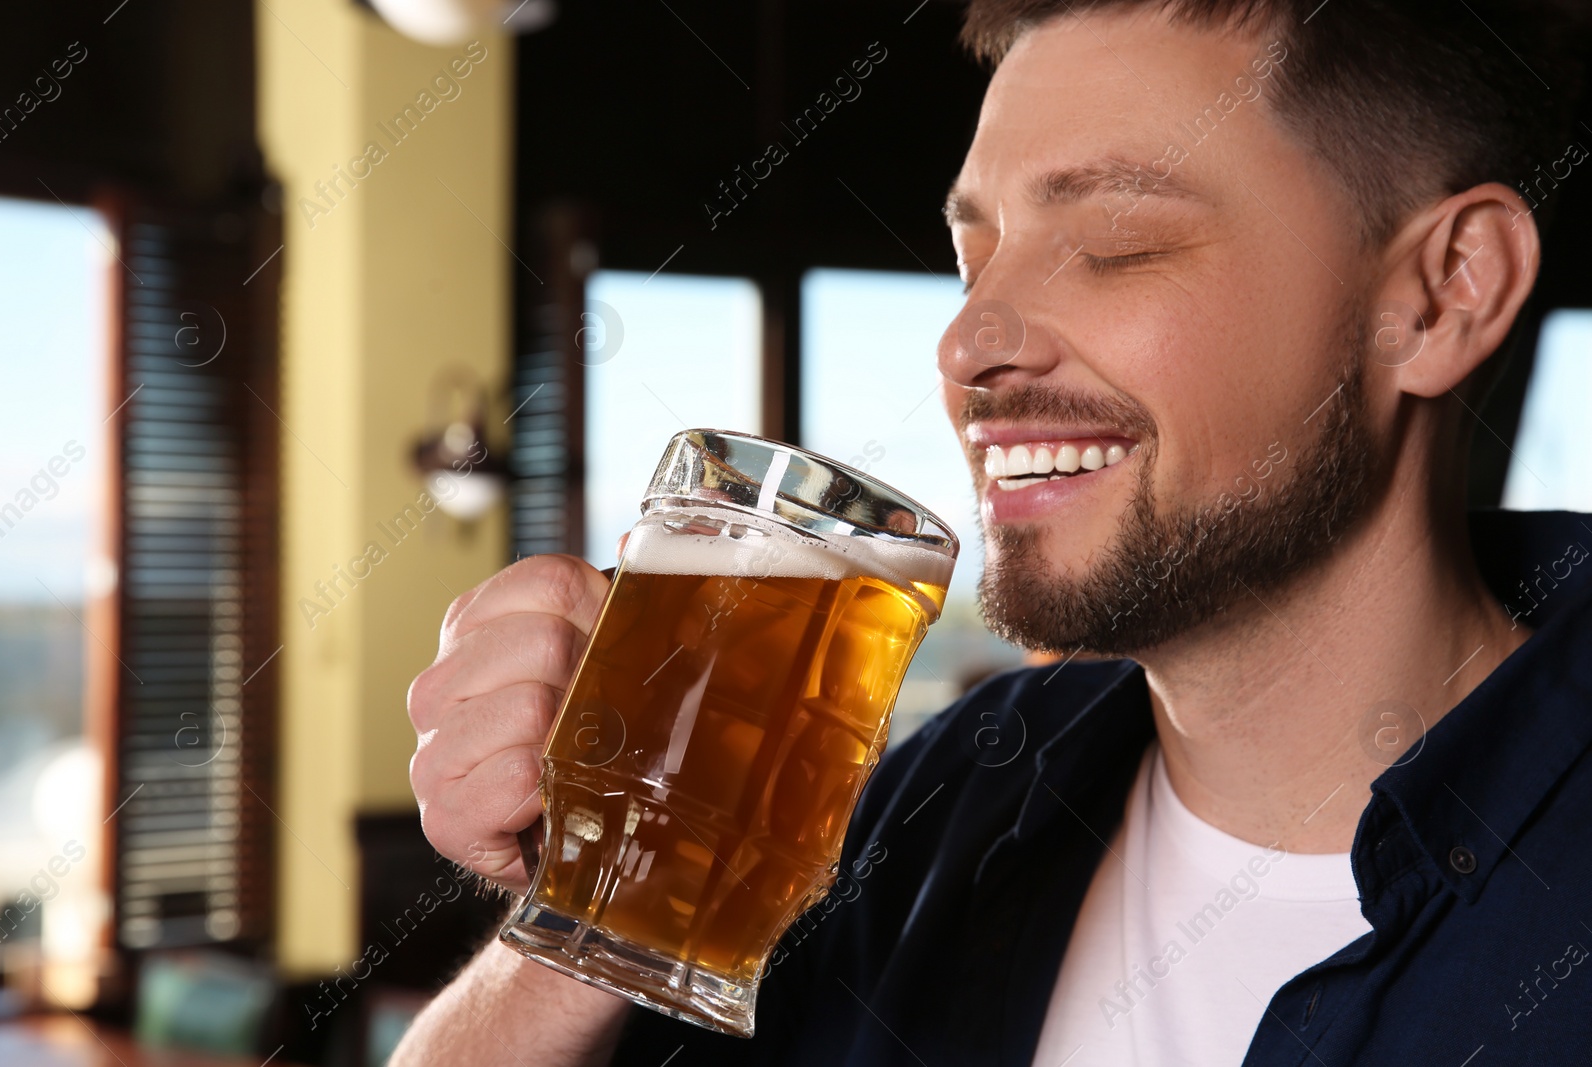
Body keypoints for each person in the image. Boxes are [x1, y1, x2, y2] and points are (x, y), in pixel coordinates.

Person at [391, 1, 1592, 1064]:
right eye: (972, 259)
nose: (965, 347)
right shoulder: (936, 806)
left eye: (1114, 243)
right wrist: (594, 914)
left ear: (1441, 295)